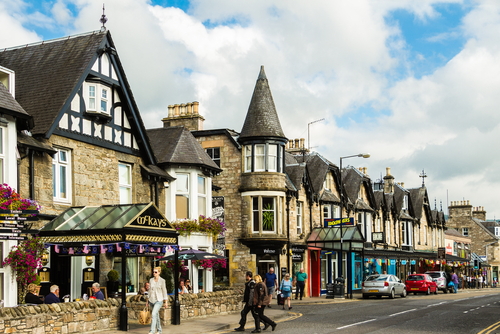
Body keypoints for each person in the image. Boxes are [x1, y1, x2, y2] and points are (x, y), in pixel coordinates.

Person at [149, 266, 168, 334]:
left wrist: (165, 302)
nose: (154, 273)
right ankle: (159, 330)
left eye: (156, 272)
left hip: (159, 300)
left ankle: (152, 331)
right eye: (153, 272)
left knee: (153, 314)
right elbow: (149, 290)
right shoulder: (151, 280)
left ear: (159, 273)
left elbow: (164, 291)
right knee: (156, 316)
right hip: (151, 300)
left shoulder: (162, 281)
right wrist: (147, 300)